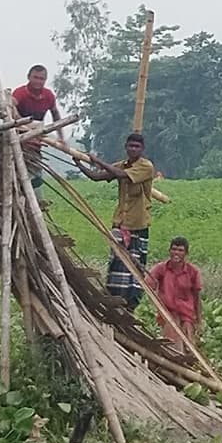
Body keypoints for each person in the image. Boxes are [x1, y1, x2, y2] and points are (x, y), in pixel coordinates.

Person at [74, 133, 155, 311]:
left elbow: (120, 174)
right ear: (126, 147)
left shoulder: (146, 167)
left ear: (142, 149)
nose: (133, 149)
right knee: (117, 263)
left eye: (137, 147)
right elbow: (96, 177)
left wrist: (97, 160)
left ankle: (130, 304)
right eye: (130, 146)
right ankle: (115, 299)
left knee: (134, 267)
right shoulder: (121, 164)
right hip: (120, 223)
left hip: (138, 225)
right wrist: (79, 164)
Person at [11, 65, 65, 202]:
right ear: (29, 77)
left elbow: (55, 113)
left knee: (35, 173)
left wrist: (61, 137)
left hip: (36, 141)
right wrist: (22, 124)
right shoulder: (20, 93)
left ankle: (35, 202)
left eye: (42, 79)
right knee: (15, 171)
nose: (38, 81)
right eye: (35, 77)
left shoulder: (48, 95)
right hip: (18, 138)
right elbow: (11, 110)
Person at [147, 237, 203, 356]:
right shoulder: (161, 268)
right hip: (168, 313)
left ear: (186, 253)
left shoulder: (193, 271)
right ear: (169, 251)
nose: (176, 253)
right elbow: (148, 284)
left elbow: (197, 297)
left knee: (189, 347)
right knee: (173, 347)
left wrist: (199, 320)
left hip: (187, 314)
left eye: (180, 250)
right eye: (174, 249)